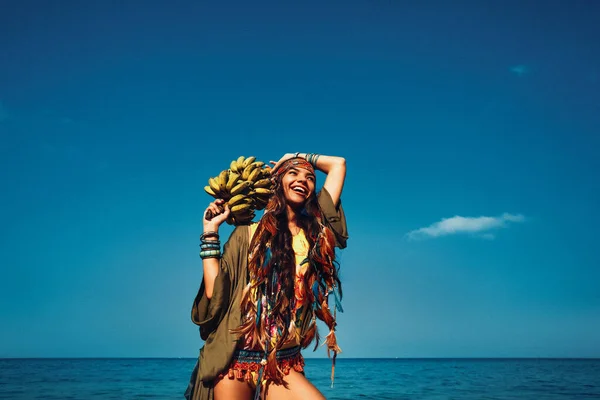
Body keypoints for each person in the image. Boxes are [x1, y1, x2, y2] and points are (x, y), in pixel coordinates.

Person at [185, 152, 348, 400]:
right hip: (235, 359)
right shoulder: (249, 234)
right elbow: (214, 293)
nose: (302, 180)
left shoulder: (318, 232)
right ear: (278, 182)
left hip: (282, 361)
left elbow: (338, 164)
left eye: (310, 178)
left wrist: (296, 156)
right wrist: (210, 233)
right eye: (293, 173)